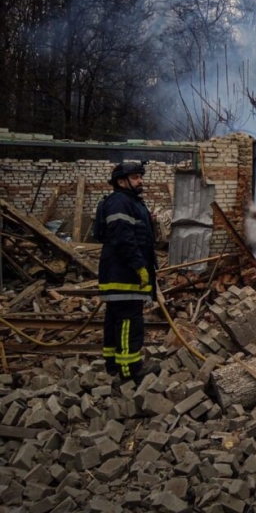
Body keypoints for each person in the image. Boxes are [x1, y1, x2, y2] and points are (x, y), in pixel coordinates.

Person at [97, 161, 159, 384]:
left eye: (140, 177)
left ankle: (114, 365)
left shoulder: (128, 202)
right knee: (129, 322)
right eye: (135, 177)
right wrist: (139, 266)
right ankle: (130, 369)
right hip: (124, 275)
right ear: (121, 181)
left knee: (116, 319)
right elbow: (123, 238)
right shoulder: (120, 203)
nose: (140, 181)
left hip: (121, 273)